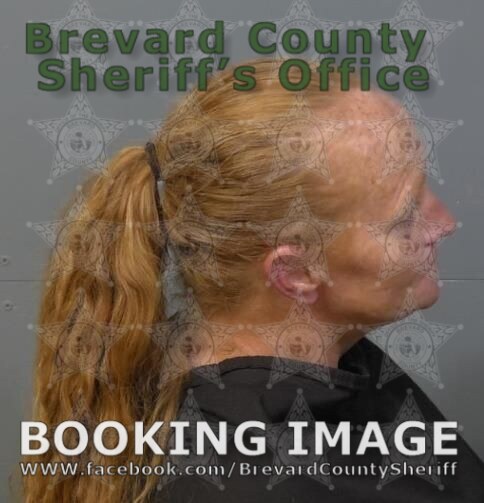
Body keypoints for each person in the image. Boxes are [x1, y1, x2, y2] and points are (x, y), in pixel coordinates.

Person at [22, 59, 484, 503]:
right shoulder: (252, 483)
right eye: (404, 218)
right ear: (295, 273)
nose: (444, 223)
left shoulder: (328, 353)